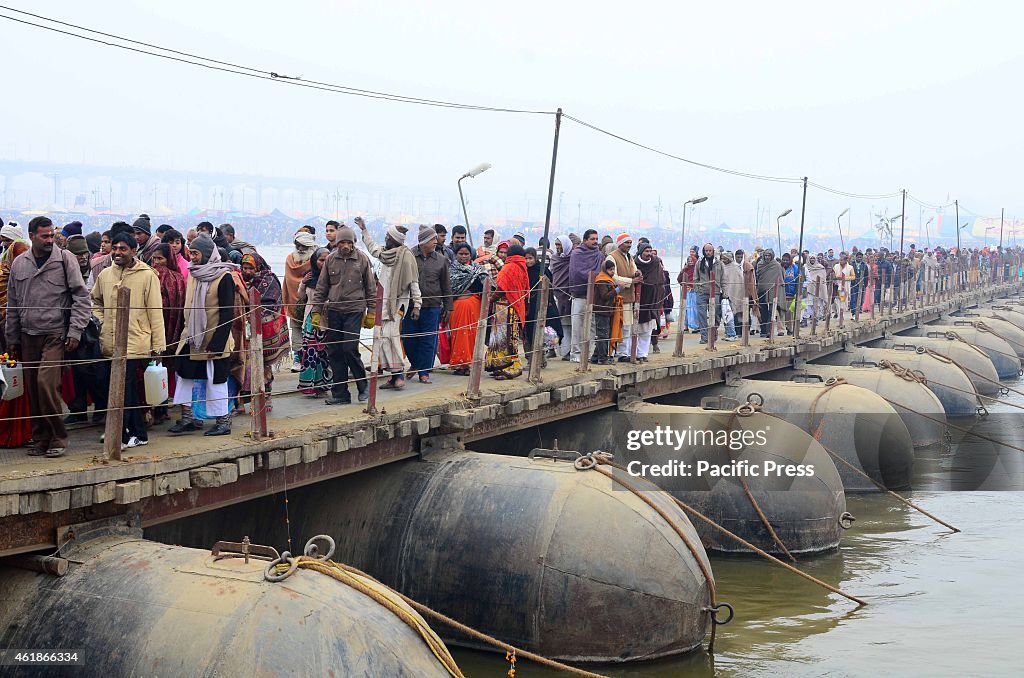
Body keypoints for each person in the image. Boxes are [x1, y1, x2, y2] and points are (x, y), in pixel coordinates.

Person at [5, 216, 91, 457]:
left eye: (52, 235)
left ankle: (58, 436)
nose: (49, 240)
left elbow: (81, 297)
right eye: (44, 236)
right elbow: (13, 303)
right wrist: (12, 338)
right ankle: (40, 437)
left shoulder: (65, 260)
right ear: (32, 236)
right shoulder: (20, 264)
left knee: (46, 384)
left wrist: (75, 330)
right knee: (32, 388)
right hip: (27, 334)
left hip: (55, 334)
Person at [91, 231, 165, 448]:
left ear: (134, 251)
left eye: (123, 249)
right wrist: (102, 321)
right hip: (109, 341)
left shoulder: (147, 275)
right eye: (115, 248)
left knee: (126, 388)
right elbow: (95, 300)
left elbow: (155, 311)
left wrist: (158, 346)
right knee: (114, 388)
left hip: (135, 341)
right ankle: (131, 432)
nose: (117, 252)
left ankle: (127, 434)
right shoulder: (105, 275)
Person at [169, 234, 237, 437]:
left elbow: (227, 313)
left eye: (196, 253)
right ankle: (188, 418)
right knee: (184, 376)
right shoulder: (193, 273)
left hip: (214, 339)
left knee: (216, 380)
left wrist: (217, 344)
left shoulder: (224, 277)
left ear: (207, 254)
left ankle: (223, 421)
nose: (192, 256)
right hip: (191, 336)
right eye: (191, 252)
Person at [311, 224, 376, 405]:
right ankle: (340, 394)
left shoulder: (362, 260)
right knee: (335, 352)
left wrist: (371, 313)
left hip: (354, 310)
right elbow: (322, 287)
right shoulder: (330, 260)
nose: (345, 246)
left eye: (348, 242)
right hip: (334, 311)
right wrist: (316, 312)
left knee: (349, 349)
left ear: (353, 243)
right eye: (342, 242)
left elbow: (371, 289)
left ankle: (363, 387)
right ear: (337, 243)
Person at [359, 218, 420, 390]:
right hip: (383, 303)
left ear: (395, 239)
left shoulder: (407, 257)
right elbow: (372, 249)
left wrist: (417, 305)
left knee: (391, 337)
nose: (385, 238)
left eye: (388, 236)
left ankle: (398, 375)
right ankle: (394, 376)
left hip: (398, 305)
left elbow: (414, 282)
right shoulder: (386, 254)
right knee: (383, 338)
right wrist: (364, 230)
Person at [240, 252, 291, 407]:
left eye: (251, 268)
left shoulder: (269, 280)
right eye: (245, 267)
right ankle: (243, 400)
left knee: (264, 364)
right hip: (247, 329)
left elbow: (272, 304)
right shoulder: (241, 280)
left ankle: (266, 397)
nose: (247, 271)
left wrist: (254, 314)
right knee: (244, 365)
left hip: (267, 329)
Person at [403, 225, 451, 384]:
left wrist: (448, 307)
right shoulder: (409, 256)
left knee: (429, 339)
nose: (436, 242)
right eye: (432, 239)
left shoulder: (441, 260)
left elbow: (446, 285)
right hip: (410, 306)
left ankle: (424, 371)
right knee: (408, 338)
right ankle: (415, 364)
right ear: (423, 241)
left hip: (433, 306)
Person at [0, 226, 31, 447]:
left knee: (19, 381)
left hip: (20, 333)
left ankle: (20, 431)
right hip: (6, 333)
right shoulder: (5, 272)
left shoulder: (24, 280)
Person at [149, 243, 186, 424]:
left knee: (162, 371)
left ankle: (161, 409)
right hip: (150, 329)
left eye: (161, 259)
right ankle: (152, 408)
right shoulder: (148, 276)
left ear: (169, 259)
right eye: (154, 259)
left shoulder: (178, 279)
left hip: (171, 329)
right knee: (151, 370)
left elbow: (180, 308)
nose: (157, 263)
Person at [485, 243, 529, 380]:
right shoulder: (522, 267)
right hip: (515, 307)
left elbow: (502, 288)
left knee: (505, 338)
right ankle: (499, 366)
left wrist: (490, 299)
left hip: (505, 308)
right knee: (506, 338)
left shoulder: (509, 267)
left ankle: (510, 368)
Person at [448, 242, 489, 376]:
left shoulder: (478, 269)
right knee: (458, 334)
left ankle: (470, 363)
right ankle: (459, 364)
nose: (464, 256)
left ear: (471, 255)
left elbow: (486, 285)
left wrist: (471, 292)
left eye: (466, 254)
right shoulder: (451, 269)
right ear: (455, 254)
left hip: (474, 306)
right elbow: (449, 289)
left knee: (472, 334)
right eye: (461, 254)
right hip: (457, 307)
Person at [297, 248, 332, 395]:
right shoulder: (310, 276)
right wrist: (303, 283)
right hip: (310, 319)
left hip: (326, 320)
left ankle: (323, 385)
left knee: (324, 354)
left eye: (326, 260)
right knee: (310, 353)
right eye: (321, 260)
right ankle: (309, 385)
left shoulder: (333, 277)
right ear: (314, 261)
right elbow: (302, 297)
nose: (324, 263)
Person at [567, 229, 605, 362]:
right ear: (585, 240)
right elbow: (576, 273)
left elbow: (600, 272)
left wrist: (595, 278)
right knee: (577, 326)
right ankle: (576, 354)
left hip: (594, 296)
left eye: (596, 239)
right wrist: (591, 276)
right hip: (579, 295)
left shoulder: (599, 255)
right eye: (592, 239)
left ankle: (588, 354)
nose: (595, 241)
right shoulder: (577, 254)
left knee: (592, 326)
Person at [283, 230, 317, 372]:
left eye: (304, 246)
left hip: (312, 303)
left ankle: (311, 359)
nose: (301, 249)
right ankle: (297, 359)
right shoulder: (290, 259)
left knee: (312, 331)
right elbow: (289, 280)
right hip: (293, 301)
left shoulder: (317, 259)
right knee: (296, 329)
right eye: (298, 246)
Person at [607, 234, 642, 362]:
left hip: (629, 297)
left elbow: (634, 270)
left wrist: (637, 273)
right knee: (617, 326)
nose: (629, 245)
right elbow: (614, 277)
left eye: (630, 242)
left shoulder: (629, 257)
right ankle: (616, 352)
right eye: (626, 242)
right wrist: (632, 281)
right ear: (620, 243)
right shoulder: (612, 257)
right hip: (618, 297)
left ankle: (624, 352)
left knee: (627, 326)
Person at [634, 243, 666, 358]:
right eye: (646, 251)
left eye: (650, 251)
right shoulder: (634, 263)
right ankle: (633, 352)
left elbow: (660, 280)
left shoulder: (656, 263)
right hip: (638, 300)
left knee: (648, 329)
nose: (648, 254)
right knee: (635, 328)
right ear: (641, 252)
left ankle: (643, 353)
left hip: (652, 300)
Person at [693, 243, 725, 344]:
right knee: (701, 314)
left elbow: (724, 278)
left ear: (713, 251)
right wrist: (697, 288)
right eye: (706, 251)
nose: (708, 253)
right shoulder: (699, 262)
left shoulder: (719, 263)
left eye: (710, 251)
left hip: (715, 292)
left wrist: (724, 290)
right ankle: (704, 336)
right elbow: (695, 277)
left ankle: (713, 332)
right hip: (702, 292)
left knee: (715, 313)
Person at [549, 235, 574, 359]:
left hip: (569, 295)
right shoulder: (554, 258)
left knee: (569, 324)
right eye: (556, 245)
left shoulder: (573, 259)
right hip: (555, 294)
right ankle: (553, 349)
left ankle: (567, 351)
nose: (558, 248)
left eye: (560, 245)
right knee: (554, 323)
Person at [592, 260, 618, 364]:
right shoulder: (602, 280)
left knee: (603, 333)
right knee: (603, 334)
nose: (612, 272)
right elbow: (604, 296)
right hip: (602, 310)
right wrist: (617, 290)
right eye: (610, 269)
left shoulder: (608, 280)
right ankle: (602, 359)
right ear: (605, 270)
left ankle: (595, 357)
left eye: (613, 269)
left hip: (606, 310)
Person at [755, 249, 784, 336]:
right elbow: (758, 277)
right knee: (762, 310)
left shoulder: (777, 265)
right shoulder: (760, 264)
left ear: (772, 256)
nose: (767, 257)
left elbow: (780, 279)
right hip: (762, 290)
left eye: (769, 255)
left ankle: (769, 331)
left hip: (773, 291)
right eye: (766, 255)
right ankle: (763, 330)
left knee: (772, 311)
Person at [719, 250, 743, 340]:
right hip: (725, 294)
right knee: (725, 313)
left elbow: (738, 281)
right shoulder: (723, 267)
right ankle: (729, 332)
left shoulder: (735, 268)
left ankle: (734, 333)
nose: (723, 260)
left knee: (734, 314)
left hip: (734, 294)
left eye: (725, 258)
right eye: (722, 258)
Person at [833, 252, 855, 318]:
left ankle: (841, 314)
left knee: (843, 300)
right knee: (836, 300)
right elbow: (833, 274)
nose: (840, 261)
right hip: (836, 285)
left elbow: (853, 277)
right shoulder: (836, 266)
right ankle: (838, 313)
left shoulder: (850, 267)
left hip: (846, 285)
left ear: (846, 260)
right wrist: (836, 277)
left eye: (842, 260)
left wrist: (844, 278)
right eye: (840, 260)